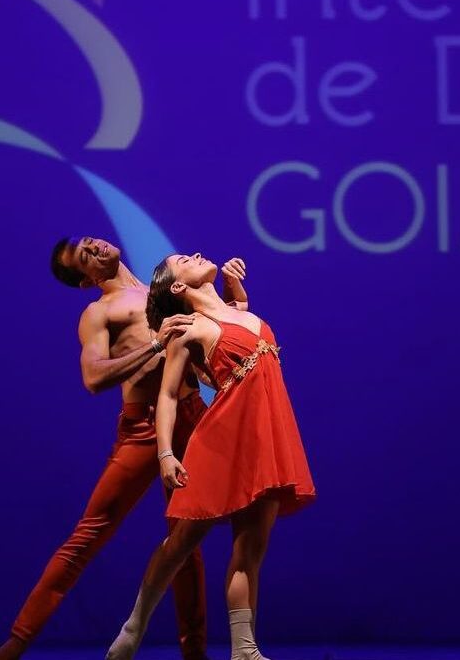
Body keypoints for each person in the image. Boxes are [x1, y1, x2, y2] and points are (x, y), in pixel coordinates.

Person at [0, 237, 249, 660]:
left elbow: (215, 336)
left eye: (88, 241)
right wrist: (154, 344)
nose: (92, 246)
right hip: (144, 427)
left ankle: (196, 653)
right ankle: (15, 644)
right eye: (84, 256)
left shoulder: (166, 286)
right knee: (89, 535)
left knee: (185, 540)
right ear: (86, 280)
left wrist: (233, 295)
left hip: (189, 417)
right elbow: (93, 378)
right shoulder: (99, 312)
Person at [105, 252, 315, 660]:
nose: (198, 255)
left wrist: (236, 290)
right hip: (220, 442)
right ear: (178, 287)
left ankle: (244, 649)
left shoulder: (241, 312)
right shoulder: (190, 329)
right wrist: (166, 453)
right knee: (182, 541)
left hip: (266, 441)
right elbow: (166, 396)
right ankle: (136, 623)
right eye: (185, 259)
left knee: (250, 548)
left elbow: (240, 320)